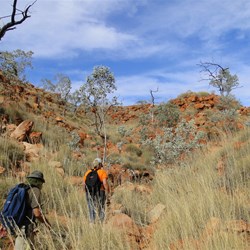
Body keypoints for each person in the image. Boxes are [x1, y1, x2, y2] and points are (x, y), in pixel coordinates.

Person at [14, 170, 51, 250]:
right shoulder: (35, 190)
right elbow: (37, 213)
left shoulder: (22, 188)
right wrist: (46, 222)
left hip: (18, 225)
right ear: (39, 181)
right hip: (25, 229)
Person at [83, 158, 110, 223]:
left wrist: (86, 192)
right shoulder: (102, 172)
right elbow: (105, 183)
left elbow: (84, 184)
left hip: (89, 192)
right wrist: (108, 192)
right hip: (100, 192)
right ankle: (101, 222)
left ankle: (92, 222)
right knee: (101, 207)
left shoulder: (88, 172)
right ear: (100, 165)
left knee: (91, 207)